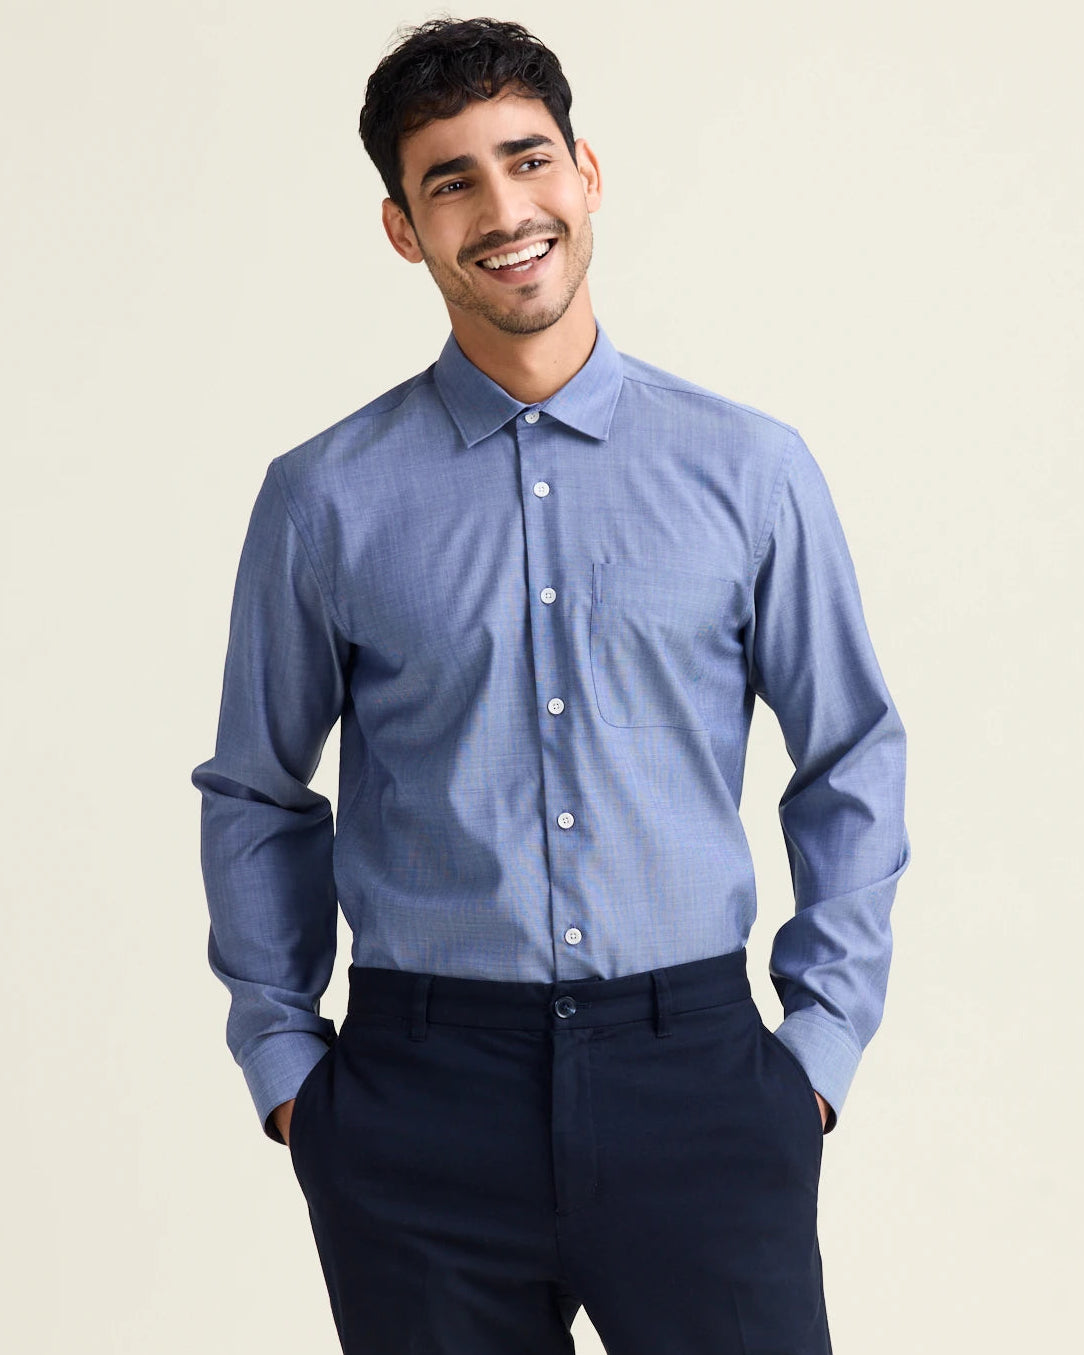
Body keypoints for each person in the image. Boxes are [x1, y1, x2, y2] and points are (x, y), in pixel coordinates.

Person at [191, 15, 910, 1354]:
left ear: (587, 172)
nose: (504, 210)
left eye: (528, 160)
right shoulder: (324, 498)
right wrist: (286, 1065)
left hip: (699, 1084)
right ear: (403, 228)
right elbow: (255, 787)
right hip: (419, 1102)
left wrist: (817, 1049)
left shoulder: (750, 472)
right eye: (451, 180)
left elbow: (851, 751)